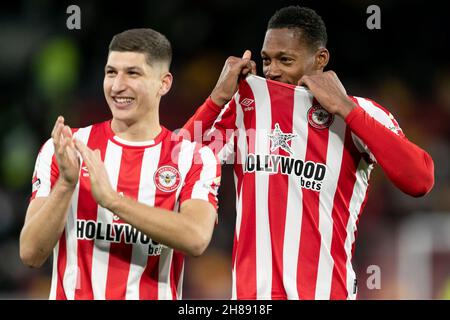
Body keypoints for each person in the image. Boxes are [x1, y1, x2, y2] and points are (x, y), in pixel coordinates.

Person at [182, 6, 435, 299]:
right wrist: (216, 99)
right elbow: (171, 168)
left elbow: (420, 180)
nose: (273, 70)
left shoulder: (360, 114)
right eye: (267, 60)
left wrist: (346, 109)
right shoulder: (245, 109)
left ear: (320, 59)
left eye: (285, 60)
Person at [19, 28, 221, 300]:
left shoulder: (193, 158)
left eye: (133, 73)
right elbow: (31, 253)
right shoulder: (67, 147)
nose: (117, 86)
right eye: (111, 72)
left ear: (164, 83)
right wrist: (67, 184)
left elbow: (196, 237)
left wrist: (114, 201)